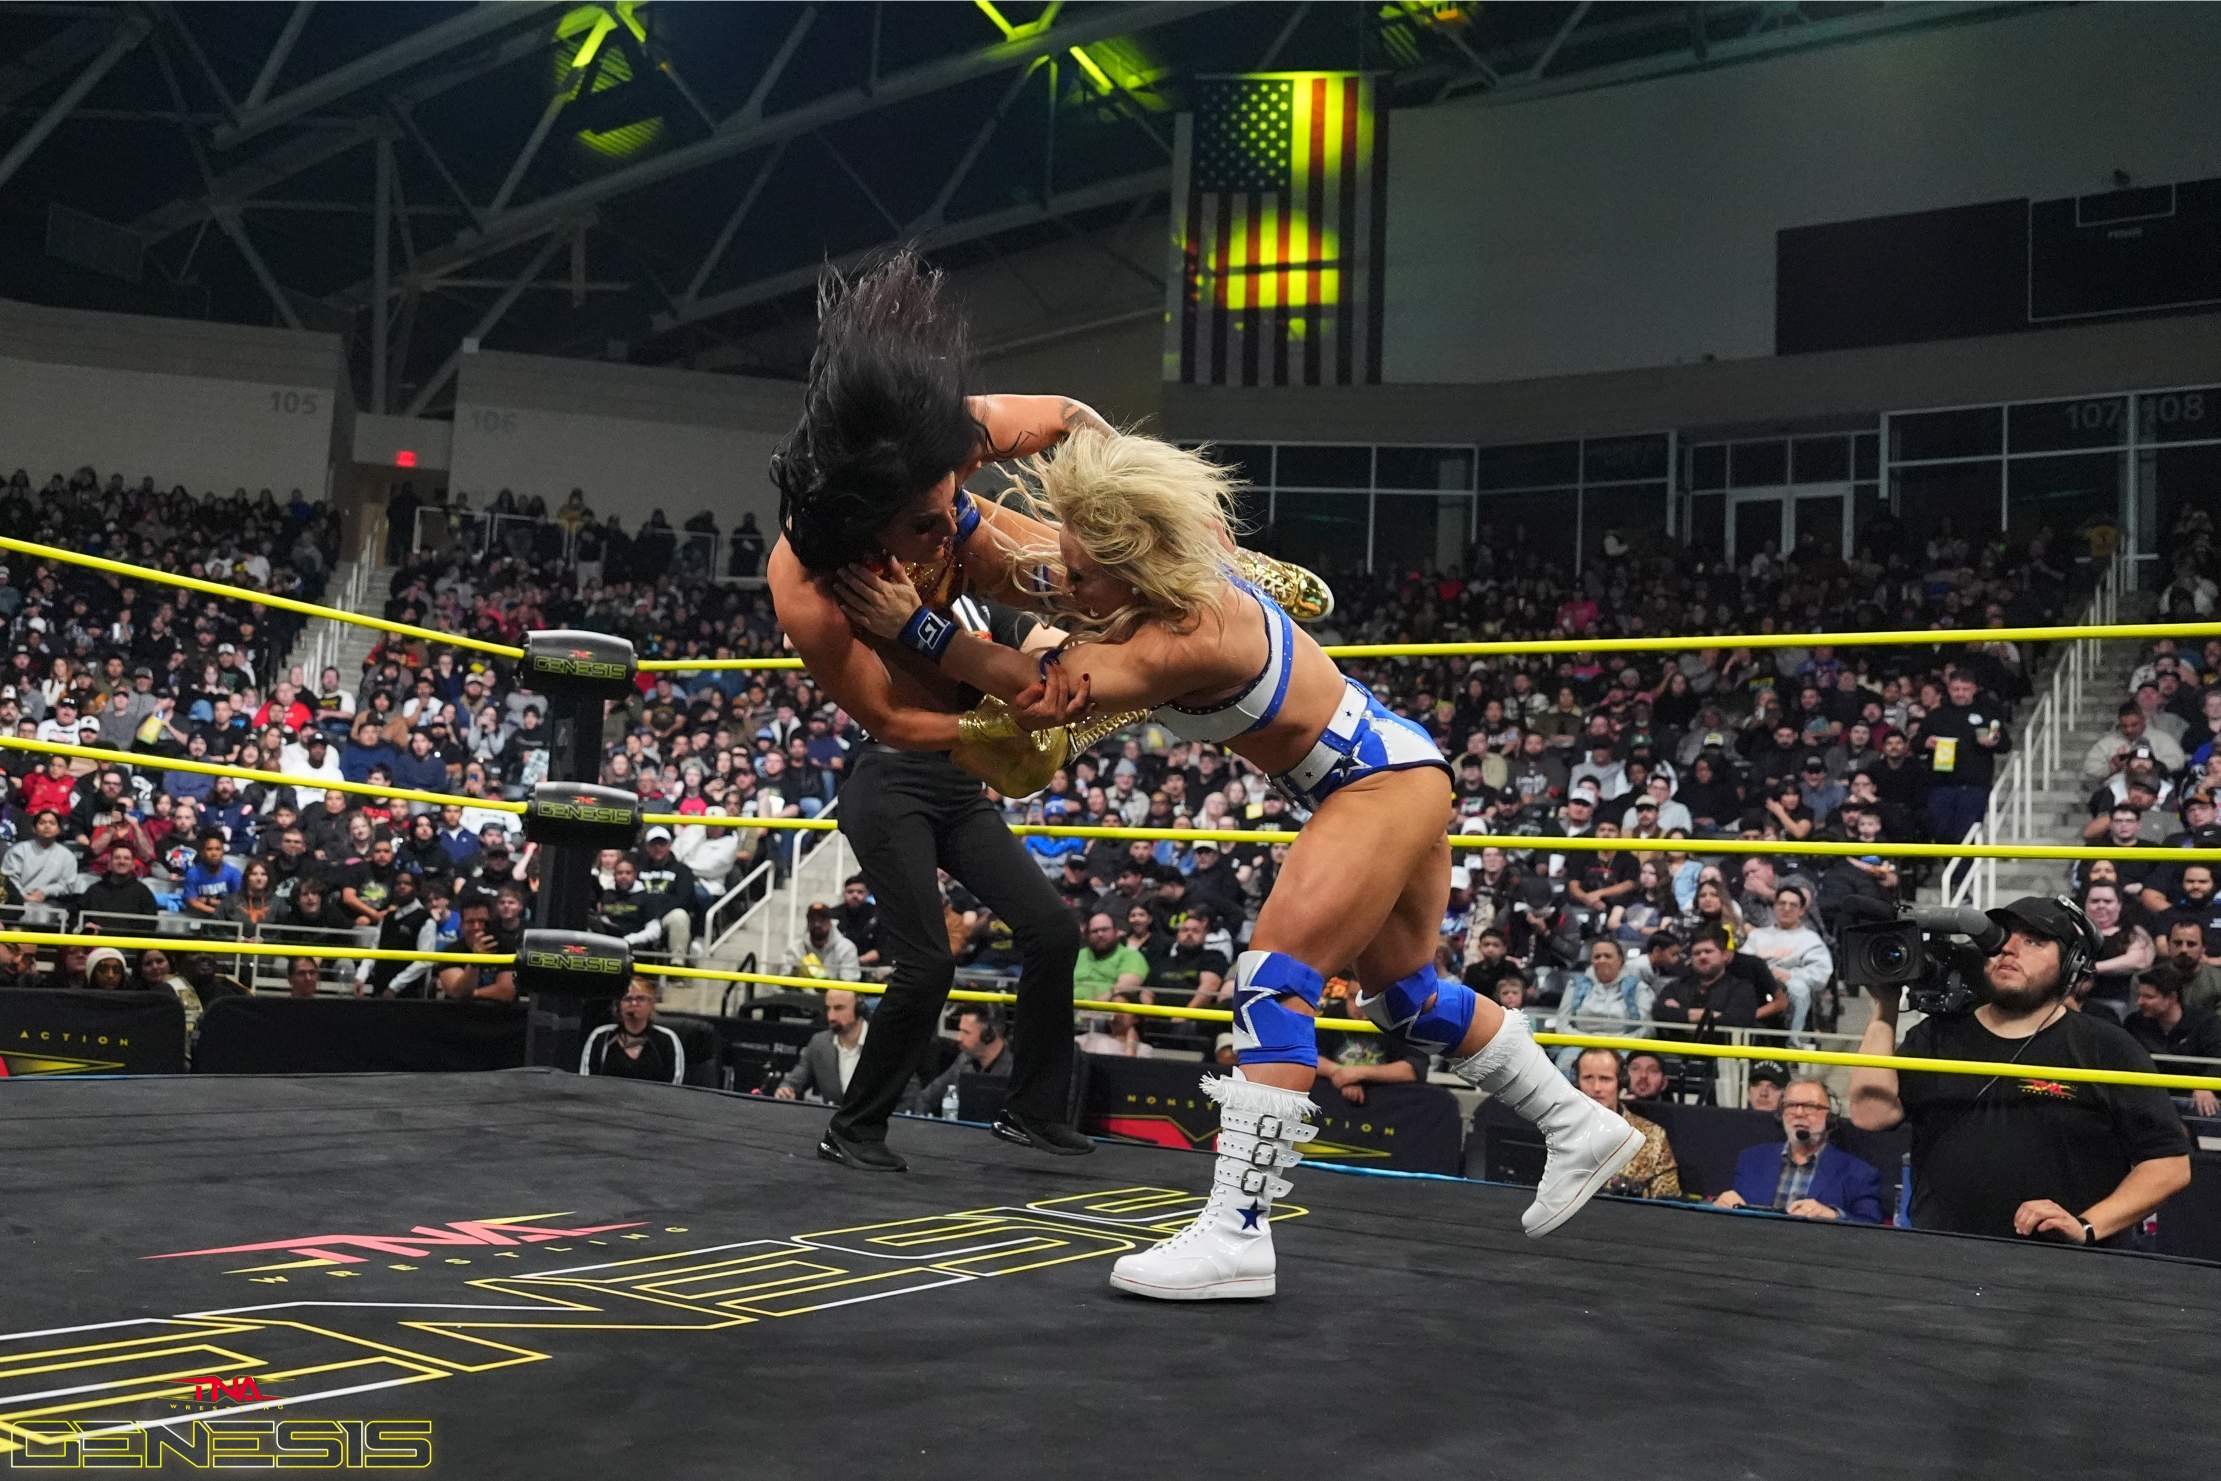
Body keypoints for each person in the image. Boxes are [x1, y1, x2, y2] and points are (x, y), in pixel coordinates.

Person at [833, 427, 1638, 1299]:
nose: (1066, 583)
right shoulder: (1173, 570)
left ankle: (1238, 1233)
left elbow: (1040, 693)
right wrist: (944, 502)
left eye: (1085, 574)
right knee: (1406, 998)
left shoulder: (1184, 637)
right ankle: (1577, 1122)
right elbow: (1034, 564)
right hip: (1392, 765)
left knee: (1271, 983)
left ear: (1133, 567)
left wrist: (914, 626)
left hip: (1373, 783)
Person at [766, 253, 1099, 1169]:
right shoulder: (812, 592)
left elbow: (1069, 415)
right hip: (894, 782)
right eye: (920, 524)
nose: (943, 527)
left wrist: (1122, 478)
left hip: (955, 778)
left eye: (946, 503)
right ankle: (853, 1128)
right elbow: (890, 722)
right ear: (866, 526)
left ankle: (1033, 1109)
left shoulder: (935, 450)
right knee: (929, 961)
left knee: (1053, 930)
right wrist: (990, 725)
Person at [1848, 895, 2191, 1247]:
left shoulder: (2106, 1047)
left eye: (2033, 941)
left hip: (2059, 1267)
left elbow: (2170, 1165)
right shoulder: (1936, 1035)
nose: (2009, 949)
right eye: (2000, 936)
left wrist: (2087, 1226)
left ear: (2071, 965)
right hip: (1942, 1257)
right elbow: (1870, 1114)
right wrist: (1885, 1007)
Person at [1713, 1077, 1884, 1223]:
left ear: (1830, 1116)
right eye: (1791, 1105)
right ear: (1780, 1114)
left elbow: (1871, 1226)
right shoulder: (1751, 1160)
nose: (1799, 1113)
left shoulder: (1859, 1173)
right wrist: (1722, 1206)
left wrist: (1833, 1215)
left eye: (1810, 1106)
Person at [1571, 1048, 1682, 1201]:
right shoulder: (1558, 1130)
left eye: (1605, 1079)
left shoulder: (1652, 1136)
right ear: (1577, 1082)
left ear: (1621, 1082)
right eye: (1588, 1078)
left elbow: (1668, 1202)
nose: (1596, 1088)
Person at [1742, 884, 1832, 1047]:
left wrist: (1790, 975)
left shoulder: (1810, 939)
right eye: (1782, 903)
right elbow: (1742, 964)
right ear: (1774, 906)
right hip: (1757, 984)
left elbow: (1820, 975)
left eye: (1793, 905)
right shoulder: (1757, 936)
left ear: (1801, 911)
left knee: (1799, 988)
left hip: (1789, 984)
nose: (1786, 908)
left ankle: (1793, 1041)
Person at [2124, 968, 2221, 1117]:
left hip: (2194, 1095)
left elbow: (2217, 1060)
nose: (2139, 1002)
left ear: (2172, 997)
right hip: (2149, 1094)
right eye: (2139, 996)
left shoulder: (2207, 1023)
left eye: (2149, 997)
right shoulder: (2134, 1023)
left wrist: (2205, 1085)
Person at [579, 979, 687, 1084]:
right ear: (618, 1005)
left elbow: (674, 1087)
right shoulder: (601, 1036)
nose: (634, 1003)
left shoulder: (667, 1039)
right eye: (627, 999)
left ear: (651, 1004)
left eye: (641, 999)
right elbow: (587, 1082)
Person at [775, 989, 871, 1104]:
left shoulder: (882, 1040)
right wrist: (785, 1090)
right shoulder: (819, 1043)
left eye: (839, 1008)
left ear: (859, 1009)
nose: (831, 1017)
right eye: (828, 1009)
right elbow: (794, 1080)